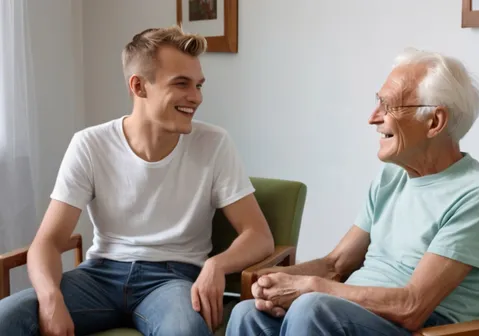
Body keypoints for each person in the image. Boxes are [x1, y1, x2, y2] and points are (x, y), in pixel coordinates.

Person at [0, 25, 275, 336]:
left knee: (185, 331)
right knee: (7, 317)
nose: (196, 97)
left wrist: (216, 265)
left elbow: (258, 235)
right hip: (99, 277)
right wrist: (51, 299)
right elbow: (47, 242)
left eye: (199, 85)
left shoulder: (214, 143)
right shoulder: (90, 144)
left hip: (173, 280)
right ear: (139, 86)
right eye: (181, 84)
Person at [226, 48, 479, 336]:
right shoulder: (391, 177)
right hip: (352, 314)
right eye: (378, 103)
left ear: (435, 122)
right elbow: (334, 264)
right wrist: (277, 283)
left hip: (425, 328)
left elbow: (413, 306)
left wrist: (312, 288)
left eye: (389, 106)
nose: (373, 118)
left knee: (311, 308)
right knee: (249, 313)